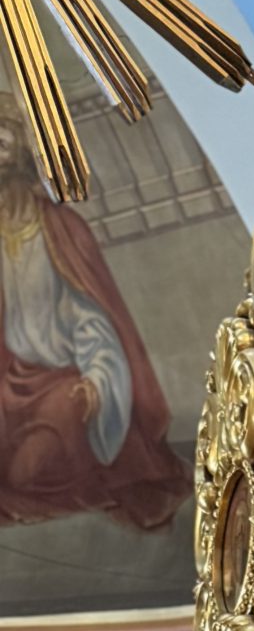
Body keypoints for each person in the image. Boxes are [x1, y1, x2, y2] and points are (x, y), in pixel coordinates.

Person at [0, 98, 189, 532]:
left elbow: (95, 319)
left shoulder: (60, 229)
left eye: (2, 146)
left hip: (64, 382)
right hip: (11, 384)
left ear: (21, 159)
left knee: (28, 472)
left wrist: (98, 378)